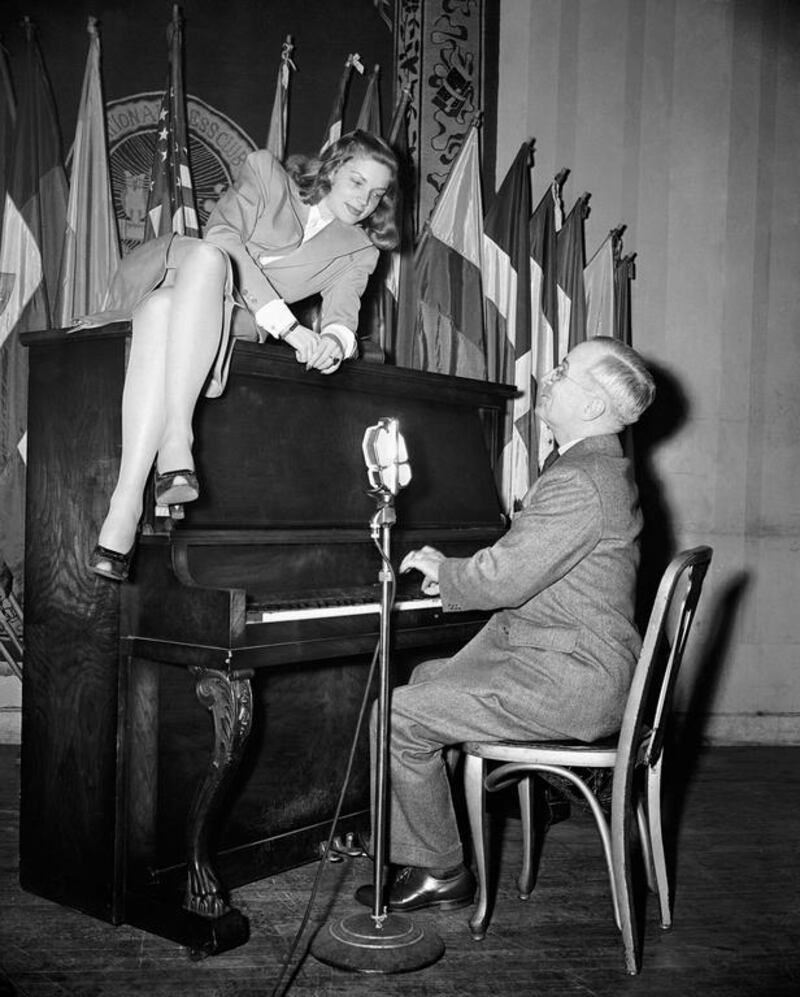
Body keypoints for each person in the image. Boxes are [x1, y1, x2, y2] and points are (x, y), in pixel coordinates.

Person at [356, 335, 656, 913]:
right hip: (565, 659)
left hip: (572, 679)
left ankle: (441, 870)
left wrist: (448, 571)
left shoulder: (580, 479)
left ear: (594, 407)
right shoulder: (596, 467)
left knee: (393, 715)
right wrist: (461, 570)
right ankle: (421, 834)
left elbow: (506, 579)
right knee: (422, 680)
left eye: (566, 370)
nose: (551, 372)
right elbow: (526, 561)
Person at [88, 130, 399, 581]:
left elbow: (342, 314)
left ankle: (125, 503)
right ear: (331, 169)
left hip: (227, 319)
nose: (364, 201)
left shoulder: (360, 249)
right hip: (174, 272)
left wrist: (333, 342)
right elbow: (222, 235)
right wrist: (289, 328)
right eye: (356, 182)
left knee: (160, 312)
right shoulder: (266, 174)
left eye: (376, 194)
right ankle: (177, 437)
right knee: (210, 259)